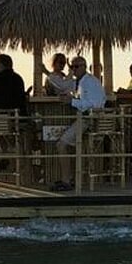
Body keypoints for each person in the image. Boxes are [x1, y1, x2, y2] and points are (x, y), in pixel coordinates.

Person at [54, 56, 106, 191]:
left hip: (89, 120)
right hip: (84, 119)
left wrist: (71, 101)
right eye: (72, 67)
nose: (74, 70)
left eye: (76, 67)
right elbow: (61, 85)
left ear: (84, 66)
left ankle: (67, 180)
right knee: (63, 144)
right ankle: (68, 178)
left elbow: (94, 105)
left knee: (61, 144)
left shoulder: (89, 82)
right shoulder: (81, 82)